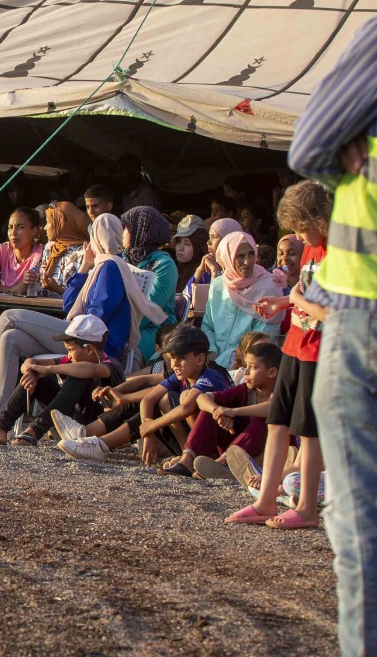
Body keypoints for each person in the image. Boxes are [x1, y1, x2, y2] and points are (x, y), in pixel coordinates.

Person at [242, 23, 377, 657]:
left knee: (360, 516)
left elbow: (310, 142)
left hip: (365, 311)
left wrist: (343, 150)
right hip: (334, 323)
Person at [0, 213, 166, 415]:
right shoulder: (100, 266)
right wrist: (83, 267)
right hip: (82, 334)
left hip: (94, 344)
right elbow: (70, 304)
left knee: (10, 316)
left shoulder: (111, 268)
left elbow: (95, 318)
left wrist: (86, 274)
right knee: (10, 338)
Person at [228, 181, 333, 530]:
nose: (301, 236)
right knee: (278, 420)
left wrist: (297, 300)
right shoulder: (312, 250)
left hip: (320, 349)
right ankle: (265, 500)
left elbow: (328, 309)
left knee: (308, 429)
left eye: (304, 227)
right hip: (297, 343)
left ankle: (305, 508)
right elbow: (305, 294)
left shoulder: (340, 254)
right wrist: (285, 301)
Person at [56, 325, 230, 463]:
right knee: (154, 400)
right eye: (171, 358)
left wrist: (150, 426)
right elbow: (148, 397)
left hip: (217, 446)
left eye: (181, 358)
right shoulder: (183, 374)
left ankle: (97, 442)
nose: (175, 364)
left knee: (166, 400)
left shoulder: (211, 375)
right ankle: (94, 441)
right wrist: (147, 430)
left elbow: (185, 408)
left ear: (200, 359)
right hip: (193, 442)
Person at [0, 314, 121, 446]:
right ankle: (0, 426)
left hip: (94, 432)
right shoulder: (71, 361)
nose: (69, 355)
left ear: (90, 349)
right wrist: (33, 372)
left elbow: (90, 370)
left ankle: (35, 430)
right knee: (37, 376)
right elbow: (30, 363)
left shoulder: (110, 366)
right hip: (68, 428)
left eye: (71, 350)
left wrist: (48, 369)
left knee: (79, 376)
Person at [166, 339, 280, 478]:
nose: (246, 372)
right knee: (208, 411)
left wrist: (233, 412)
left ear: (272, 372)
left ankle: (223, 464)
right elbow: (202, 398)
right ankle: (187, 461)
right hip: (238, 448)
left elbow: (274, 408)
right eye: (246, 366)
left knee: (264, 421)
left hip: (264, 454)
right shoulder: (244, 390)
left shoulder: (282, 393)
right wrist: (217, 412)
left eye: (253, 367)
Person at [199, 231, 283, 369]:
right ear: (227, 257)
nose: (247, 261)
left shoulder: (269, 287)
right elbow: (208, 325)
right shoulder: (218, 284)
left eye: (251, 254)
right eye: (240, 256)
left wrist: (221, 363)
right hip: (212, 362)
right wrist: (211, 353)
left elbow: (262, 339)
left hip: (249, 366)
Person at [122, 205, 180, 363]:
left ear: (139, 229)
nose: (122, 233)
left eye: (126, 227)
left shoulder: (164, 265)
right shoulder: (121, 258)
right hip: (123, 323)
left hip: (155, 329)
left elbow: (150, 309)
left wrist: (121, 328)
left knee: (125, 351)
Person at [39, 201, 91, 296]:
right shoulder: (50, 248)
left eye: (48, 223)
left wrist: (58, 289)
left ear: (61, 224)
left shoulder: (85, 252)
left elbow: (83, 297)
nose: (45, 228)